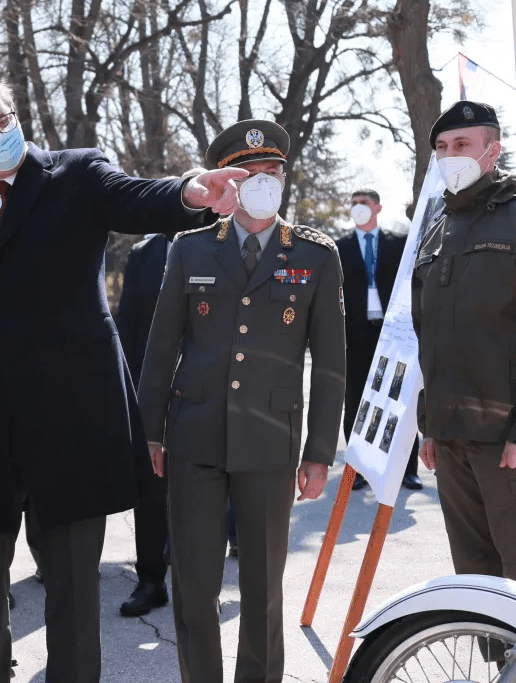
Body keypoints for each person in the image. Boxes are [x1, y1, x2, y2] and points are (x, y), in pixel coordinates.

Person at [0, 72, 241, 683]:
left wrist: (194, 190)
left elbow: (138, 196)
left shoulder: (76, 175)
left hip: (70, 420)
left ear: (16, 115)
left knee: (71, 591)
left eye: (1, 122)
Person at [137, 119, 344, 683]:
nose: (260, 181)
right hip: (194, 435)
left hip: (270, 441)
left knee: (262, 589)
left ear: (284, 179)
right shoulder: (191, 249)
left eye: (270, 171)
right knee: (195, 588)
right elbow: (160, 349)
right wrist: (151, 432)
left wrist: (320, 450)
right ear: (225, 186)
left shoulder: (317, 255)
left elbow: (330, 364)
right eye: (247, 173)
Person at [413, 100, 516, 591]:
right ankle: (495, 666)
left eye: (462, 145)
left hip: (505, 440)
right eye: (441, 147)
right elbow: (426, 333)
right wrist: (428, 424)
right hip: (450, 437)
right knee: (475, 578)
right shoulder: (436, 227)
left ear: (491, 152)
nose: (449, 155)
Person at [334, 189, 418, 491]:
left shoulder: (398, 245)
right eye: (354, 204)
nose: (358, 208)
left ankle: (406, 469)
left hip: (392, 336)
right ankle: (356, 469)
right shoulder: (338, 247)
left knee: (397, 402)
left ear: (378, 207)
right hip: (356, 336)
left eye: (364, 204)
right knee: (355, 401)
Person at [114, 233, 171, 617]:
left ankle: (202, 586)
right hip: (150, 390)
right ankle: (150, 581)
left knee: (205, 493)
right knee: (150, 491)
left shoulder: (224, 242)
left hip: (208, 392)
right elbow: (127, 324)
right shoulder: (144, 253)